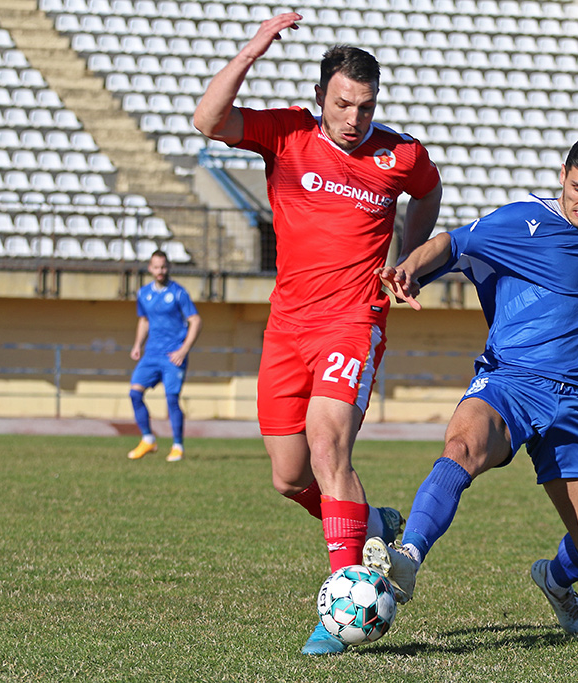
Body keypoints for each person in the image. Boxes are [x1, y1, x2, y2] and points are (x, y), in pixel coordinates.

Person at [193, 13, 443, 654]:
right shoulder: (287, 134)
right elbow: (207, 121)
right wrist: (251, 51)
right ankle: (370, 524)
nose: (354, 117)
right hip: (287, 326)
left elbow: (428, 189)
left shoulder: (399, 154)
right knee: (288, 476)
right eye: (342, 103)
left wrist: (405, 261)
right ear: (321, 99)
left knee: (329, 448)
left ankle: (342, 607)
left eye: (365, 105)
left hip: (354, 321)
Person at [362, 132, 578, 636]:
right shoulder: (522, 222)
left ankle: (555, 580)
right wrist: (408, 266)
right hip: (510, 381)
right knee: (463, 445)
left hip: (576, 401)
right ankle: (407, 556)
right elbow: (454, 242)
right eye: (577, 189)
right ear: (563, 174)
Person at [127, 249, 202, 462]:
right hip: (151, 354)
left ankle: (178, 445)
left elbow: (195, 320)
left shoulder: (179, 293)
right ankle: (148, 439)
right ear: (150, 269)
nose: (160, 271)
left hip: (173, 355)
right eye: (157, 267)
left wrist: (184, 349)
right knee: (134, 393)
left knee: (171, 399)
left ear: (168, 268)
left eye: (164, 267)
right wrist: (137, 345)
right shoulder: (143, 293)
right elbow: (144, 320)